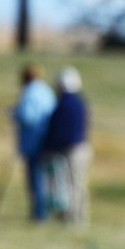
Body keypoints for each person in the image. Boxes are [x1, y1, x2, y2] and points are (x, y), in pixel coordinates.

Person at [41, 66, 93, 225]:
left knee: (72, 185)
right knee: (77, 185)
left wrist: (50, 147)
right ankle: (76, 217)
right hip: (80, 148)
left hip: (72, 150)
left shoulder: (65, 104)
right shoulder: (79, 102)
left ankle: (73, 219)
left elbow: (60, 131)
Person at [11, 63, 57, 222]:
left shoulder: (30, 92)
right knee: (44, 179)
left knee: (35, 179)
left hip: (33, 142)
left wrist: (14, 113)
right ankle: (43, 212)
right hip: (46, 141)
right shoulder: (46, 90)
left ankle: (39, 215)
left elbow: (27, 116)